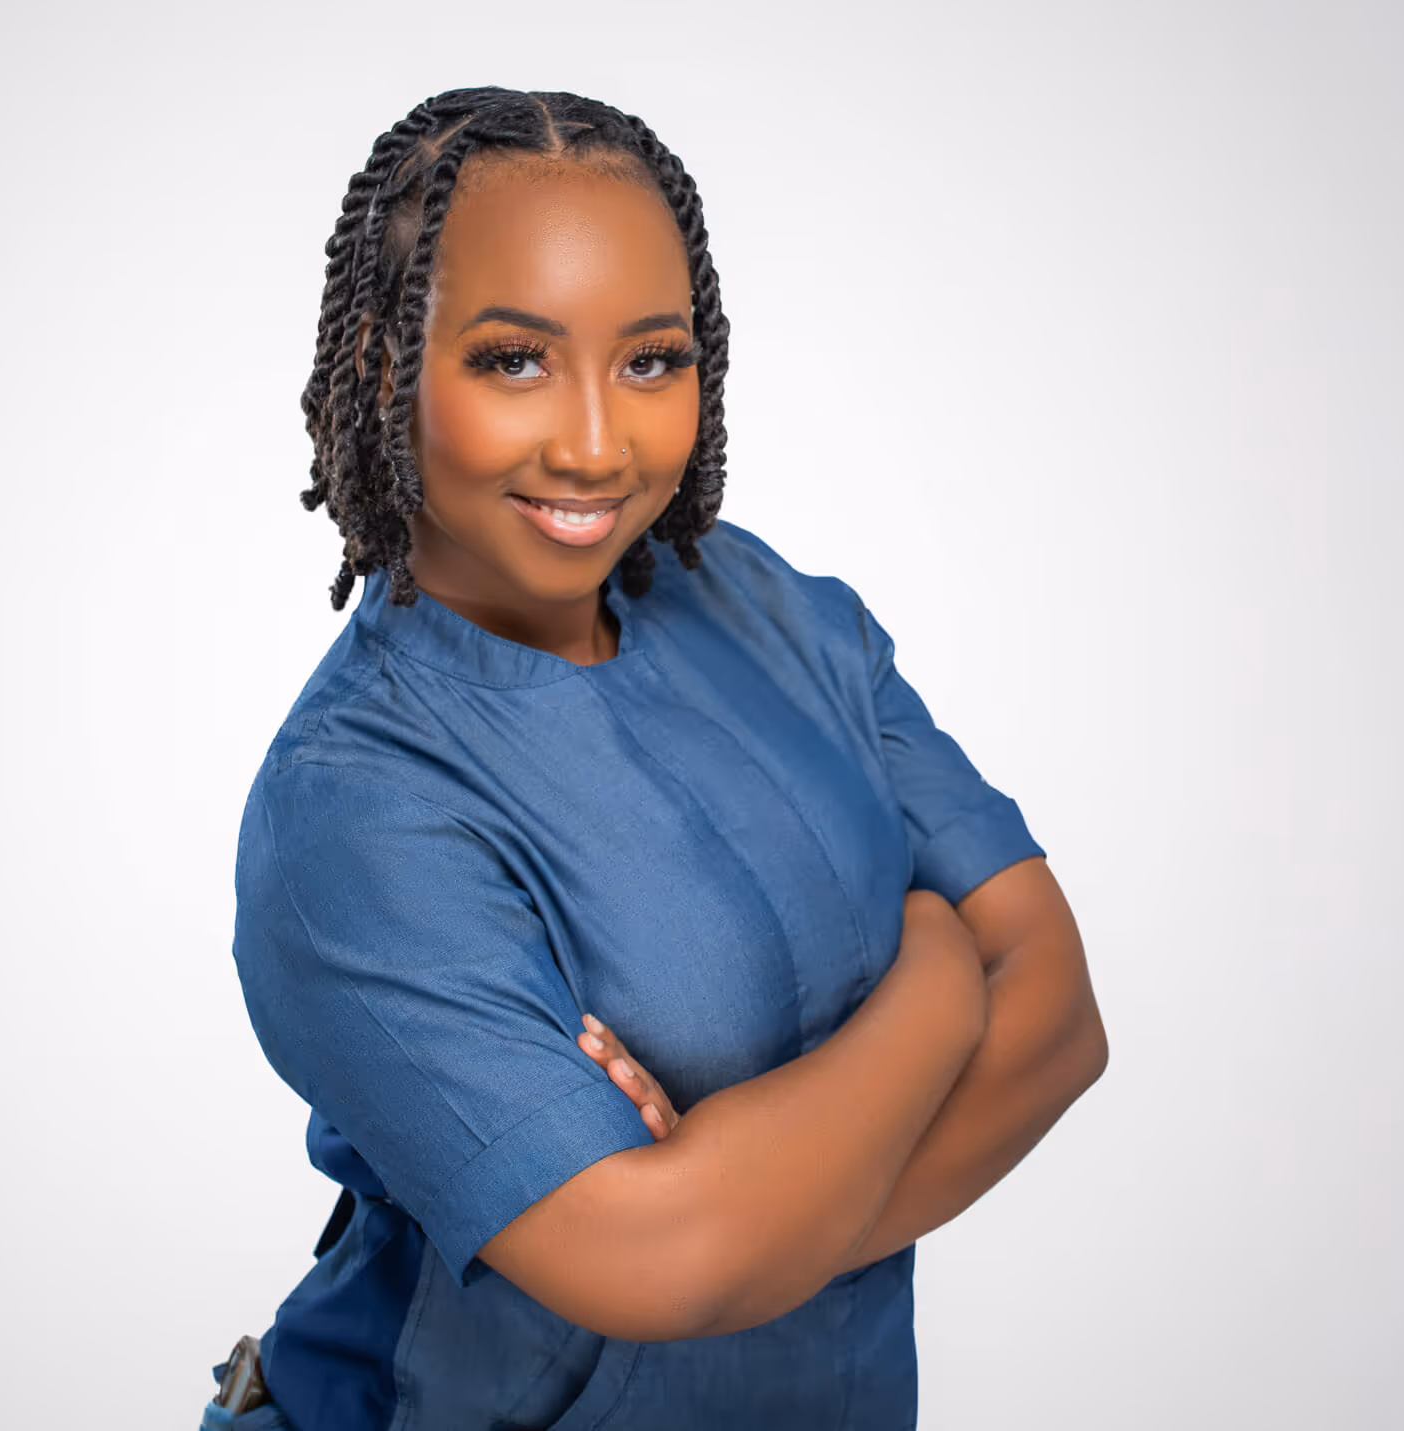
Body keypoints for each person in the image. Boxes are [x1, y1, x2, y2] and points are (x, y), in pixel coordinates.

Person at [209, 86, 1108, 1431]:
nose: (593, 442)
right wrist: (936, 972)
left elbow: (1060, 1016)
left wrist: (758, 1208)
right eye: (514, 358)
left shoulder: (774, 606)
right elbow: (664, 1256)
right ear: (380, 359)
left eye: (651, 360)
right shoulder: (356, 812)